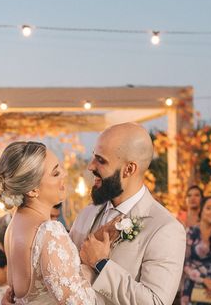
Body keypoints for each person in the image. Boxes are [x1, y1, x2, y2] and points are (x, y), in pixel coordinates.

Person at [70, 122, 186, 305]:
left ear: (129, 169)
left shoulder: (166, 229)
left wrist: (101, 264)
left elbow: (156, 302)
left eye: (101, 160)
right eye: (94, 157)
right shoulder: (86, 214)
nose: (90, 166)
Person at [0, 140, 97, 304]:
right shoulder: (49, 231)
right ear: (33, 190)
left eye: (60, 167)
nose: (65, 174)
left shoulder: (12, 227)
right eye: (55, 173)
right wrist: (94, 265)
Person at [181, 196, 211, 305]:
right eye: (209, 208)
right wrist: (205, 280)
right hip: (192, 287)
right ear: (201, 210)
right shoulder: (190, 232)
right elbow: (184, 263)